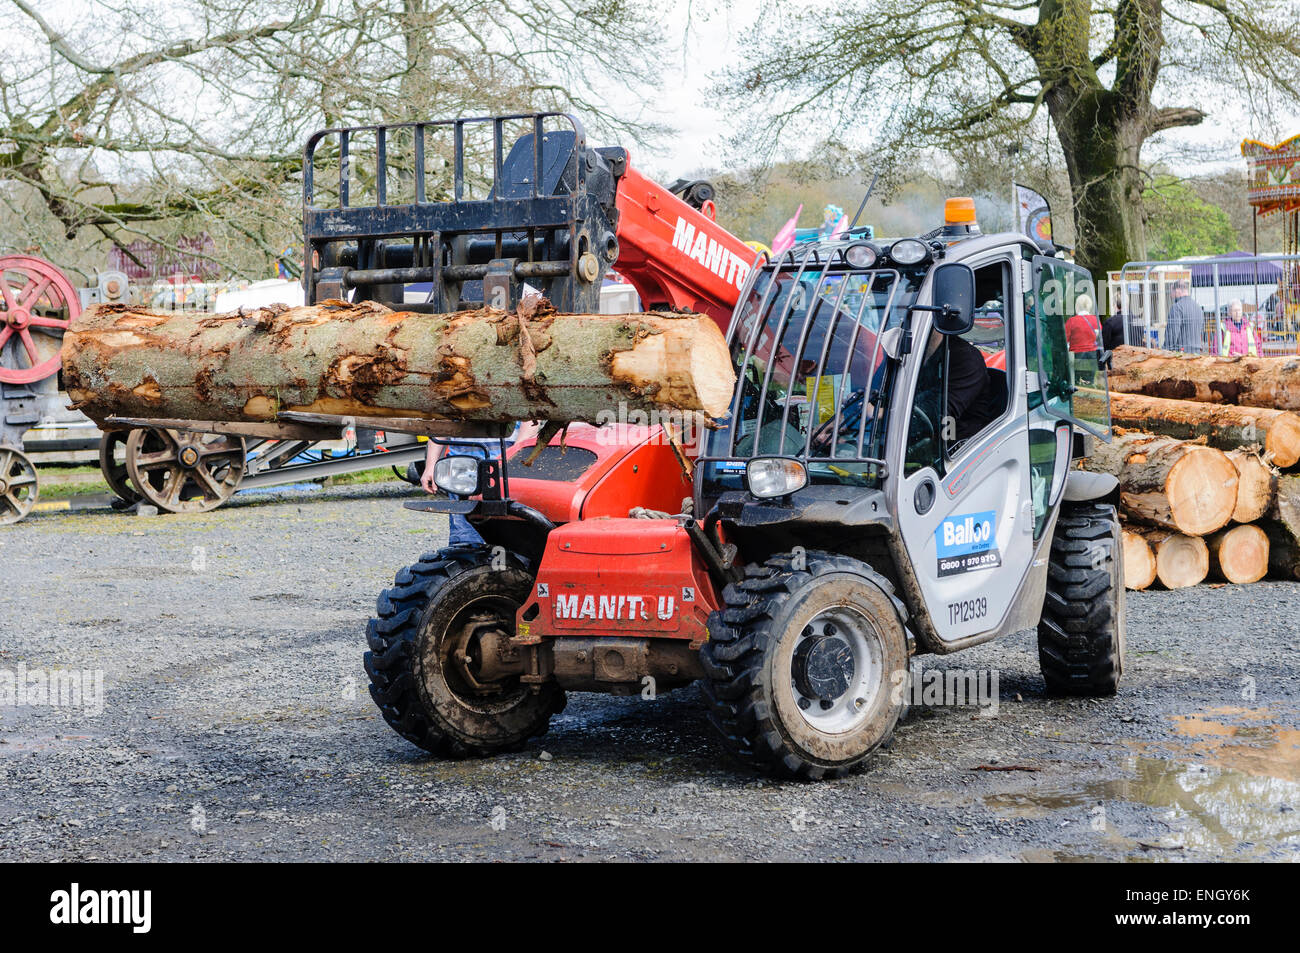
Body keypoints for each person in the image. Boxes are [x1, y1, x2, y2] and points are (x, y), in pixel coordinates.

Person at [1164, 279, 1204, 353]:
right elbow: (1201, 330)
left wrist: (1166, 350)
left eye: (1171, 291)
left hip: (1182, 352)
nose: (1170, 295)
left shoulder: (1177, 307)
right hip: (1197, 351)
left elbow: (1172, 333)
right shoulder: (1198, 307)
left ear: (1177, 290)